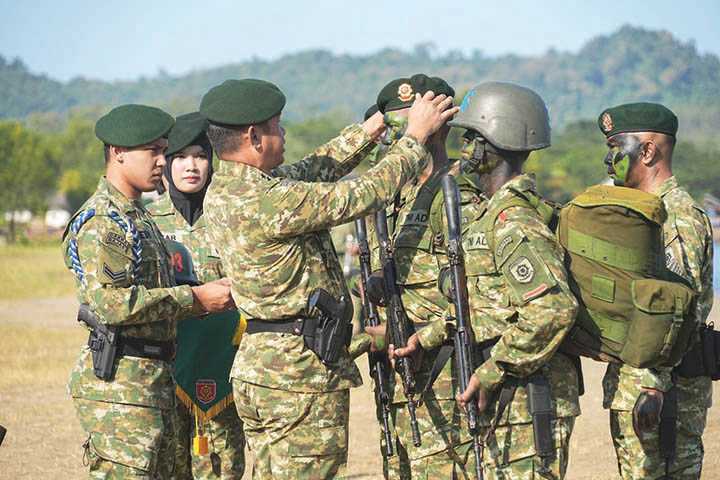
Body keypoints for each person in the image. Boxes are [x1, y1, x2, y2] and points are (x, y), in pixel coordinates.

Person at [200, 78, 458, 478]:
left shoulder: (229, 189)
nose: (283, 133)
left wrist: (369, 132)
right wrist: (414, 137)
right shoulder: (270, 199)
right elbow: (366, 194)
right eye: (276, 126)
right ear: (253, 136)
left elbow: (313, 170)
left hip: (265, 366)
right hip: (298, 374)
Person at [394, 82, 581, 478]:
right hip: (508, 401)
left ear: (491, 145)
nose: (464, 148)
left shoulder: (514, 221)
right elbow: (488, 305)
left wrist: (493, 370)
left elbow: (553, 309)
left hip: (529, 402)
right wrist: (429, 336)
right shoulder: (489, 214)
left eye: (471, 138)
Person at [62, 104, 235, 478]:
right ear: (118, 153)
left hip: (152, 380)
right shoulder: (105, 221)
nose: (162, 161)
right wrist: (197, 299)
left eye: (162, 150)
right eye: (153, 152)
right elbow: (114, 304)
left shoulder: (136, 215)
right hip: (121, 388)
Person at [361, 74, 487, 478]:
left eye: (416, 122)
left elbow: (487, 292)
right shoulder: (390, 197)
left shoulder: (464, 191)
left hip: (454, 367)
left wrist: (429, 332)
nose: (406, 135)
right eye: (397, 127)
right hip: (402, 371)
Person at [597, 102, 714, 479]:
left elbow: (675, 312)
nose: (609, 158)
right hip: (645, 392)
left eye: (617, 147)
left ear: (646, 151)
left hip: (664, 398)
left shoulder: (675, 216)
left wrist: (652, 386)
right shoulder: (647, 212)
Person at [148, 112, 245, 479]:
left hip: (223, 368)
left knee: (220, 469)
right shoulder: (147, 222)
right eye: (183, 156)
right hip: (165, 370)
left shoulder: (230, 218)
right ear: (168, 162)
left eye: (201, 156)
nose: (192, 166)